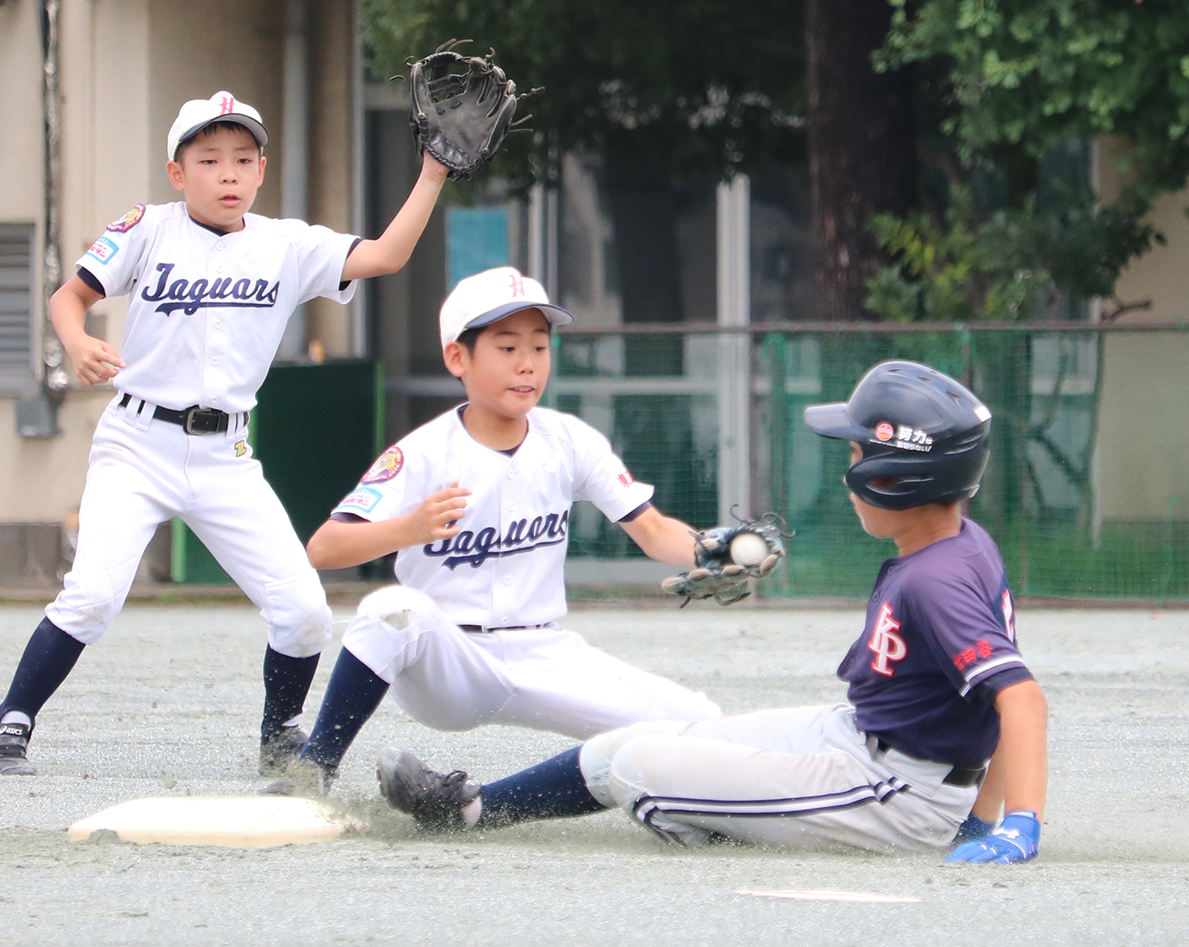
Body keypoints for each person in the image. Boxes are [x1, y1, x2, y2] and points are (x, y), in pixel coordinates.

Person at [377, 361, 1050, 866]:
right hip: (863, 741)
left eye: (855, 454)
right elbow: (980, 703)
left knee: (639, 770)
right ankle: (471, 809)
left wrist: (1015, 822)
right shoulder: (958, 542)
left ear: (897, 476)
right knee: (638, 739)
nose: (848, 474)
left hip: (894, 792)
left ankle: (728, 820)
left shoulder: (936, 580)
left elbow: (1017, 698)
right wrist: (976, 815)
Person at [0, 91, 450, 776]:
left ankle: (280, 735)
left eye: (243, 158)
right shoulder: (148, 228)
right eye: (209, 159)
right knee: (94, 595)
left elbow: (385, 256)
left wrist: (432, 172)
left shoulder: (287, 244)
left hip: (226, 455)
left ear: (262, 171)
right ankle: (9, 725)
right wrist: (75, 341)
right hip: (137, 444)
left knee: (304, 611)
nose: (228, 172)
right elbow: (69, 295)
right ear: (177, 172)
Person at [268, 266, 723, 795]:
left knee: (700, 725)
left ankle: (466, 806)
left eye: (539, 347)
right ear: (457, 358)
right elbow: (324, 548)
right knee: (391, 610)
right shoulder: (422, 452)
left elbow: (653, 531)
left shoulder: (569, 439)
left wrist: (716, 551)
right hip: (450, 660)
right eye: (507, 348)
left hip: (545, 652)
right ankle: (313, 772)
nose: (527, 364)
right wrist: (409, 528)